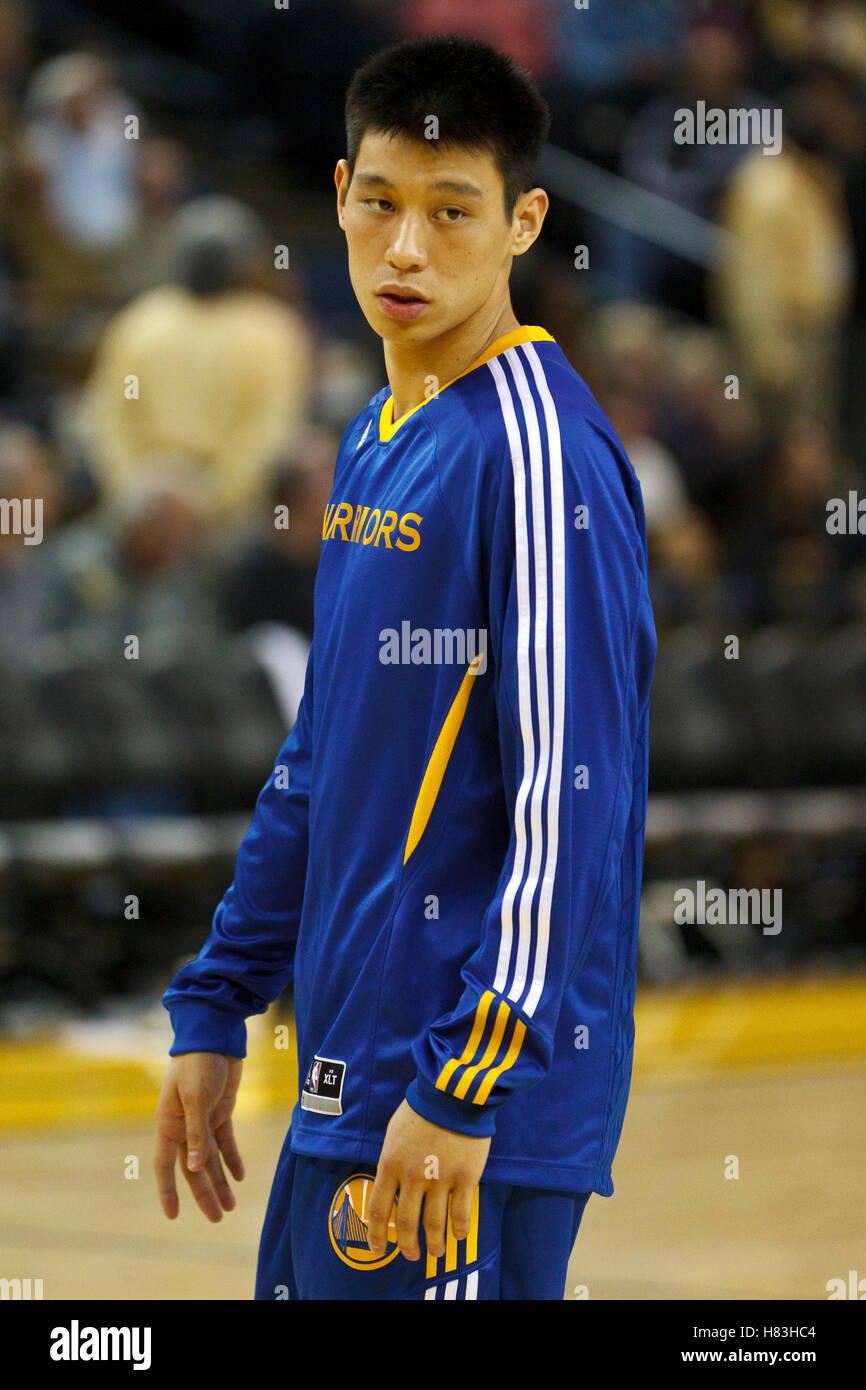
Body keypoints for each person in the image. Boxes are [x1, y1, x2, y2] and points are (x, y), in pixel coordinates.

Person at [155, 35, 656, 1301]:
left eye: (451, 212)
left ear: (522, 221)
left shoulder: (538, 454)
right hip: (352, 1079)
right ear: (335, 196)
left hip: (463, 1109)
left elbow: (570, 800)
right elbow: (319, 760)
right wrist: (220, 998)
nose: (405, 249)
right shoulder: (377, 438)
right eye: (378, 204)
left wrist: (460, 1083)